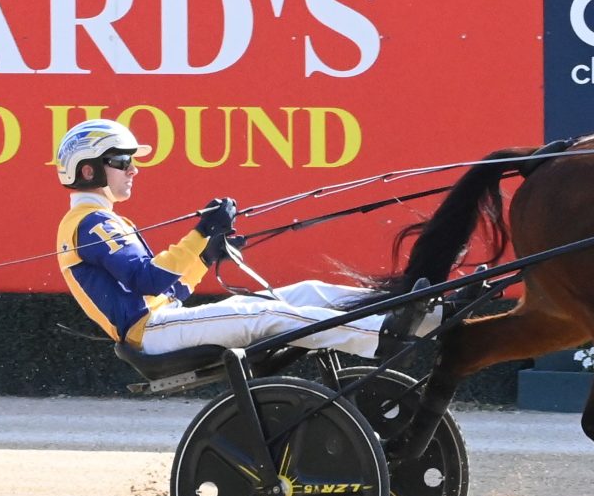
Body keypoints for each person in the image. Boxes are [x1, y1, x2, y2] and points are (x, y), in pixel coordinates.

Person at [52, 118, 431, 360]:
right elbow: (147, 279)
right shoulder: (90, 222)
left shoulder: (98, 221)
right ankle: (380, 334)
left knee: (306, 293)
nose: (134, 169)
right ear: (88, 170)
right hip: (151, 332)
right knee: (265, 313)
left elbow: (169, 290)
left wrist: (204, 255)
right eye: (121, 161)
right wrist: (200, 233)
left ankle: (420, 313)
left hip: (164, 321)